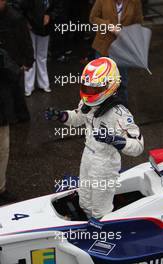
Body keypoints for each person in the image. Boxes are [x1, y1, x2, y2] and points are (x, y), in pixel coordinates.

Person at [45, 57, 144, 219]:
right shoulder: (87, 104)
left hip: (105, 164)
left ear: (109, 85)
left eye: (93, 89)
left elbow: (138, 146)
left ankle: (105, 233)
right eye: (87, 87)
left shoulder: (120, 114)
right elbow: (77, 118)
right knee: (84, 202)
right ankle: (85, 223)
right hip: (88, 157)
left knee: (100, 209)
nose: (89, 92)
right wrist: (61, 116)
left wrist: (114, 139)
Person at [0, 0, 34, 205]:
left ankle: (1, 186)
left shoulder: (15, 17)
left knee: (3, 144)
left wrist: (24, 62)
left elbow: (23, 39)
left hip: (4, 90)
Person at [89, 0, 143, 104]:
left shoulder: (135, 2)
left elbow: (138, 23)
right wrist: (109, 26)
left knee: (121, 83)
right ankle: (100, 110)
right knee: (100, 82)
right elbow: (93, 18)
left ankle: (122, 111)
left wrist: (126, 32)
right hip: (103, 47)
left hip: (122, 48)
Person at [12, 0, 60, 96]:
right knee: (31, 55)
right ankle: (29, 86)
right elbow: (19, 6)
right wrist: (25, 21)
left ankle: (42, 84)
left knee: (42, 56)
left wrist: (50, 15)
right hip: (31, 24)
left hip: (44, 26)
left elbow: (57, 6)